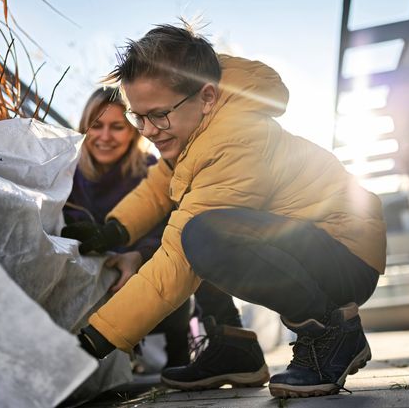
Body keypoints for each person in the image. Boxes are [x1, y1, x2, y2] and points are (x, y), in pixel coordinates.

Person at [63, 22, 386, 399]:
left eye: (159, 115)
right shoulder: (196, 125)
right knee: (195, 225)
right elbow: (158, 186)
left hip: (344, 258)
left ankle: (329, 332)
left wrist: (95, 339)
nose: (148, 131)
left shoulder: (234, 139)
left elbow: (178, 262)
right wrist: (114, 229)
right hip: (311, 242)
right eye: (140, 117)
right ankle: (234, 349)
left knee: (201, 235)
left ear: (208, 97)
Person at [64, 87, 191, 369]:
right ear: (84, 128)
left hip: (143, 277)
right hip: (89, 279)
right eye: (96, 126)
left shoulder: (154, 172)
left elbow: (175, 231)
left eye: (117, 127)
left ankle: (180, 356)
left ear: (134, 130)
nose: (105, 137)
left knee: (181, 267)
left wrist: (138, 257)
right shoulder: (63, 175)